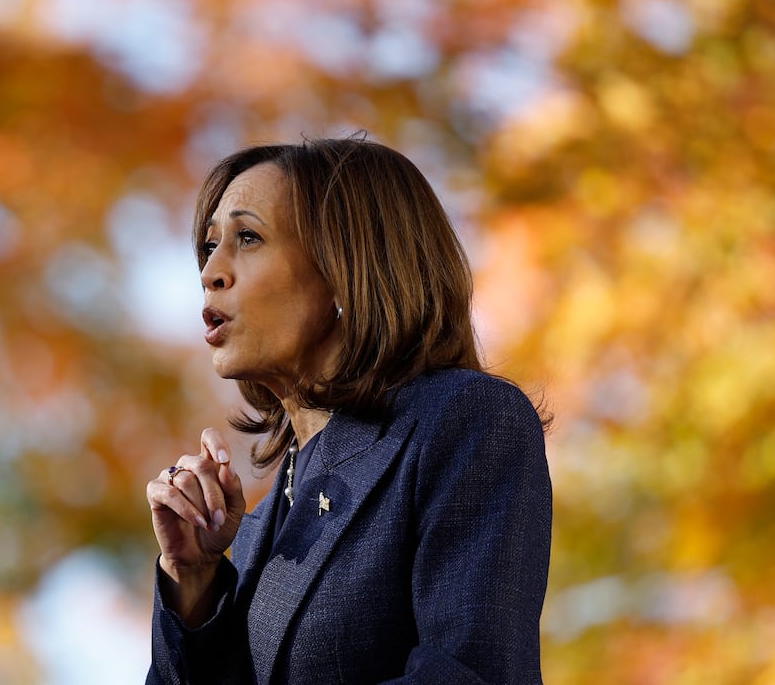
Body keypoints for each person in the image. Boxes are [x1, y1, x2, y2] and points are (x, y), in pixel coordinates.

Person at [146, 137, 552, 684]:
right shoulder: (252, 527)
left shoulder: (466, 421)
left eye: (247, 237)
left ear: (345, 269)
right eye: (209, 246)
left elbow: (469, 674)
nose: (211, 271)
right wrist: (192, 582)